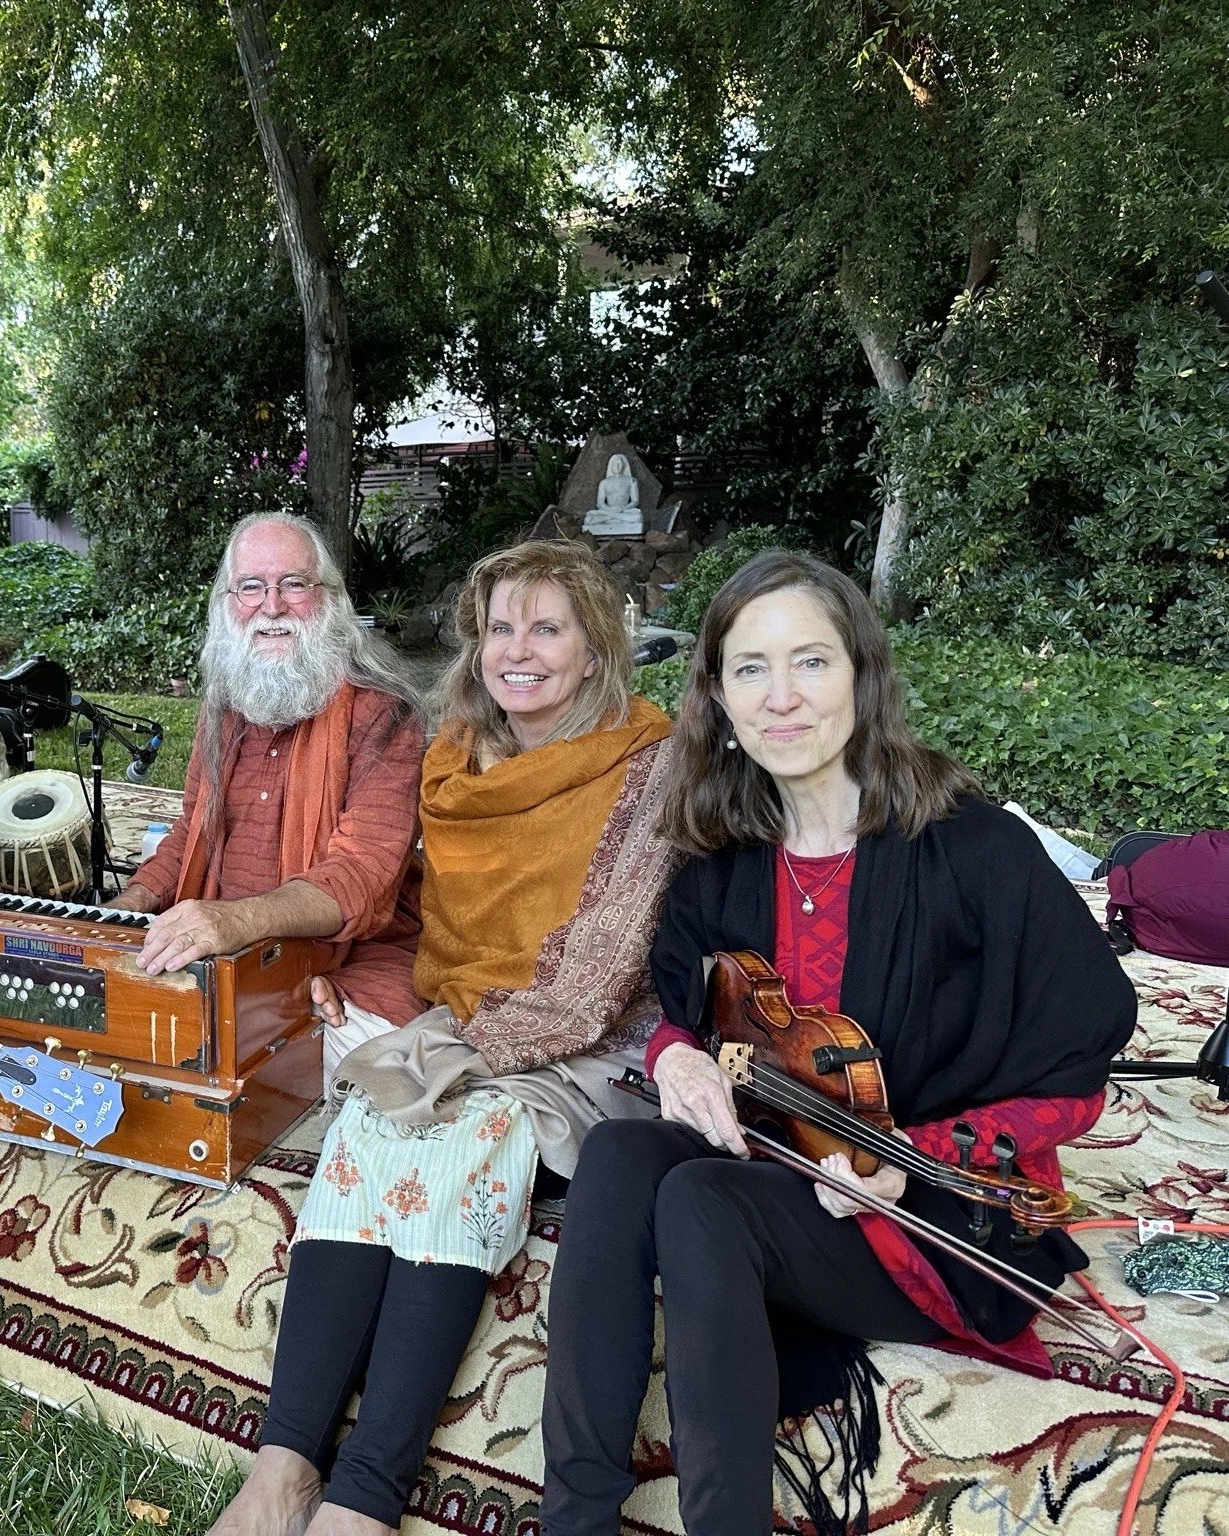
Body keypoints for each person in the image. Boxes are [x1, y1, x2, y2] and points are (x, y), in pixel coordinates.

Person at [538, 550, 1137, 1536]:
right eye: (748, 669)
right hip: (786, 1165)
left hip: (935, 1219)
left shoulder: (975, 851)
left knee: (697, 1198)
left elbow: (1072, 1075)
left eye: (809, 662)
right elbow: (683, 1006)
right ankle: (575, 1517)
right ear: (717, 699)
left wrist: (905, 1165)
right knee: (615, 1149)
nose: (780, 699)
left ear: (861, 673)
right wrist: (674, 1059)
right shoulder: (720, 860)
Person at [211, 540, 679, 1536]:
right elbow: (429, 914)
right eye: (499, 627)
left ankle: (365, 1497)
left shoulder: (649, 762)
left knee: (457, 1136)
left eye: (547, 628)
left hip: (594, 1046)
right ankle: (283, 1465)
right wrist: (392, 1022)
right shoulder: (459, 755)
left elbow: (602, 970)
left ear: (594, 648)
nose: (517, 650)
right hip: (460, 1016)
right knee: (363, 1130)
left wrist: (450, 1056)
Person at [111, 512, 425, 1084]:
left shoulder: (383, 714)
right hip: (224, 952)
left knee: (315, 1073)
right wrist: (128, 903)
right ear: (228, 604)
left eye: (294, 584)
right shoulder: (224, 711)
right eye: (251, 587)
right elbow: (190, 835)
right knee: (109, 1032)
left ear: (328, 598)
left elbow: (362, 874)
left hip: (352, 962)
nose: (271, 605)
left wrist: (244, 926)